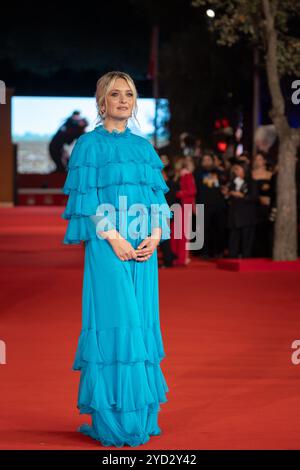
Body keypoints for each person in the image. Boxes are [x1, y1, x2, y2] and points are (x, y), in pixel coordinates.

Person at [61, 71, 173, 447]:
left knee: (140, 324)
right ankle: (111, 417)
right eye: (115, 94)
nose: (123, 100)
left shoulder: (144, 148)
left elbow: (158, 201)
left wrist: (155, 236)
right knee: (117, 322)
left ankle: (140, 415)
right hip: (106, 244)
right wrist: (114, 237)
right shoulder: (88, 146)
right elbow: (85, 201)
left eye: (129, 94)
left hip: (143, 248)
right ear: (102, 102)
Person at [226, 162, 258, 258]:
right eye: (235, 169)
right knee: (233, 240)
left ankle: (246, 259)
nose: (236, 171)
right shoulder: (233, 182)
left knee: (246, 241)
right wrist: (227, 195)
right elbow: (229, 197)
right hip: (234, 216)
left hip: (247, 217)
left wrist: (242, 196)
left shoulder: (251, 182)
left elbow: (254, 197)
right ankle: (232, 257)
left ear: (245, 170)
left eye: (238, 169)